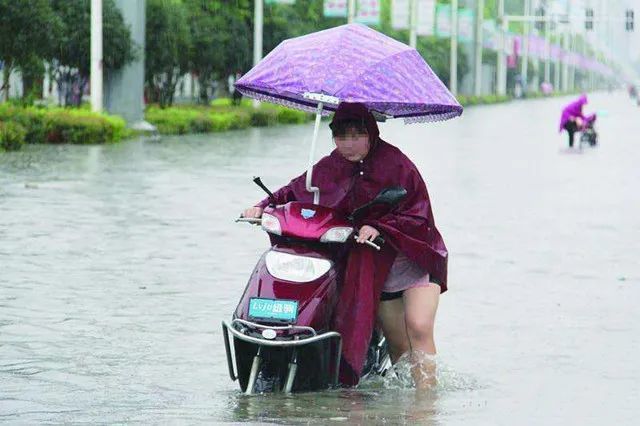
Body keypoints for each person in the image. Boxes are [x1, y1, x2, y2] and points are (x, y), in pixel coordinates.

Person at [242, 103, 448, 389]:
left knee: (419, 327)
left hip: (412, 259)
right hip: (375, 268)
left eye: (357, 135)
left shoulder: (397, 164)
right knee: (399, 345)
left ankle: (427, 409)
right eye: (341, 136)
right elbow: (295, 190)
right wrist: (262, 206)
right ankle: (406, 406)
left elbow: (418, 215)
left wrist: (379, 226)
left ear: (371, 133)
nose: (349, 144)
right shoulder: (330, 166)